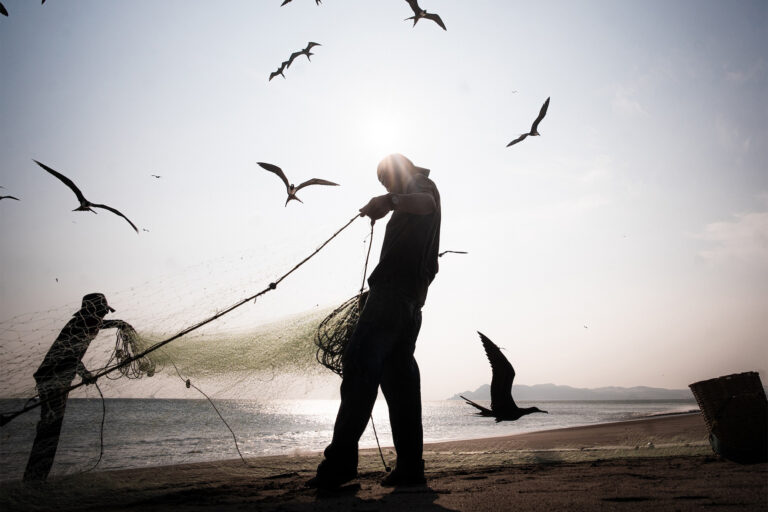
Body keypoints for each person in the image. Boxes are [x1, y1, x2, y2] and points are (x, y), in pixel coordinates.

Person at [308, 153, 441, 489]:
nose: (386, 187)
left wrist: (390, 200)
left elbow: (425, 203)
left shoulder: (420, 186)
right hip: (410, 305)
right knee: (400, 385)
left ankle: (339, 465)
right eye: (383, 184)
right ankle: (411, 468)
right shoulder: (409, 196)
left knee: (359, 368)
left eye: (387, 180)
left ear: (400, 173)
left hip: (393, 300)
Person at [24, 293, 135, 482]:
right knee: (50, 429)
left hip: (59, 379)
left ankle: (36, 478)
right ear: (92, 311)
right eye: (101, 311)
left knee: (51, 428)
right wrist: (85, 374)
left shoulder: (88, 323)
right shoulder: (79, 326)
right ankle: (34, 479)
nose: (103, 315)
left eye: (104, 312)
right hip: (51, 380)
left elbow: (103, 326)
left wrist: (120, 323)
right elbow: (70, 356)